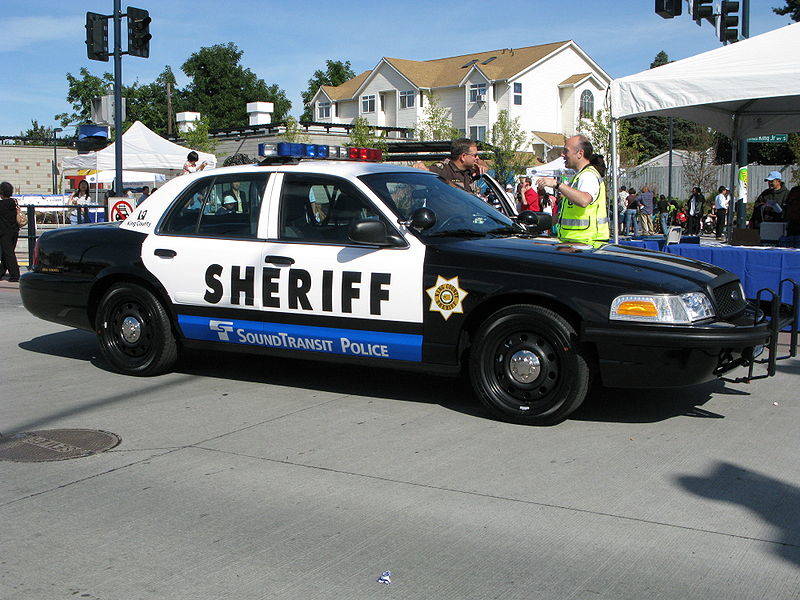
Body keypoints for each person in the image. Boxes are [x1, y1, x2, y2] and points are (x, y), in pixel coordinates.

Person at [535, 134, 609, 247]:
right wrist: (541, 224)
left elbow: (584, 200)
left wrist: (557, 184)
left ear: (580, 153)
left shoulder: (588, 176)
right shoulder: (579, 177)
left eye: (566, 151)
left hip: (586, 244)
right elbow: (570, 213)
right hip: (577, 243)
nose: (562, 154)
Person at [413, 138, 488, 197]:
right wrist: (420, 167)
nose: (477, 158)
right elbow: (424, 172)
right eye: (475, 155)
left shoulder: (470, 170)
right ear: (463, 156)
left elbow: (485, 166)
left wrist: (482, 165)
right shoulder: (443, 170)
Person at [0, 181, 21, 282]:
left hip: (4, 232)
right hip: (14, 230)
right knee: (7, 253)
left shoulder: (1, 204)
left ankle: (15, 275)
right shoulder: (13, 202)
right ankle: (1, 272)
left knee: (8, 254)